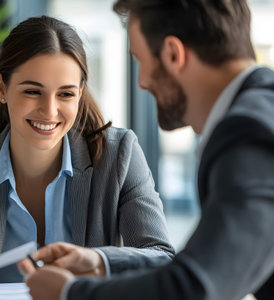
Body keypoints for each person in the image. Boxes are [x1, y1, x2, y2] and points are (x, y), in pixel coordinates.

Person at [18, 0, 274, 299]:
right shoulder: (261, 115)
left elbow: (196, 287)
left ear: (172, 54)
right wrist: (103, 264)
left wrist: (70, 293)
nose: (142, 83)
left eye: (140, 60)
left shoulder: (249, 134)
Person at [0, 15, 174, 284]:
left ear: (80, 93)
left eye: (65, 94)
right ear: (1, 87)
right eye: (32, 91)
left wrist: (100, 261)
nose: (49, 110)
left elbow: (162, 258)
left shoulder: (119, 156)